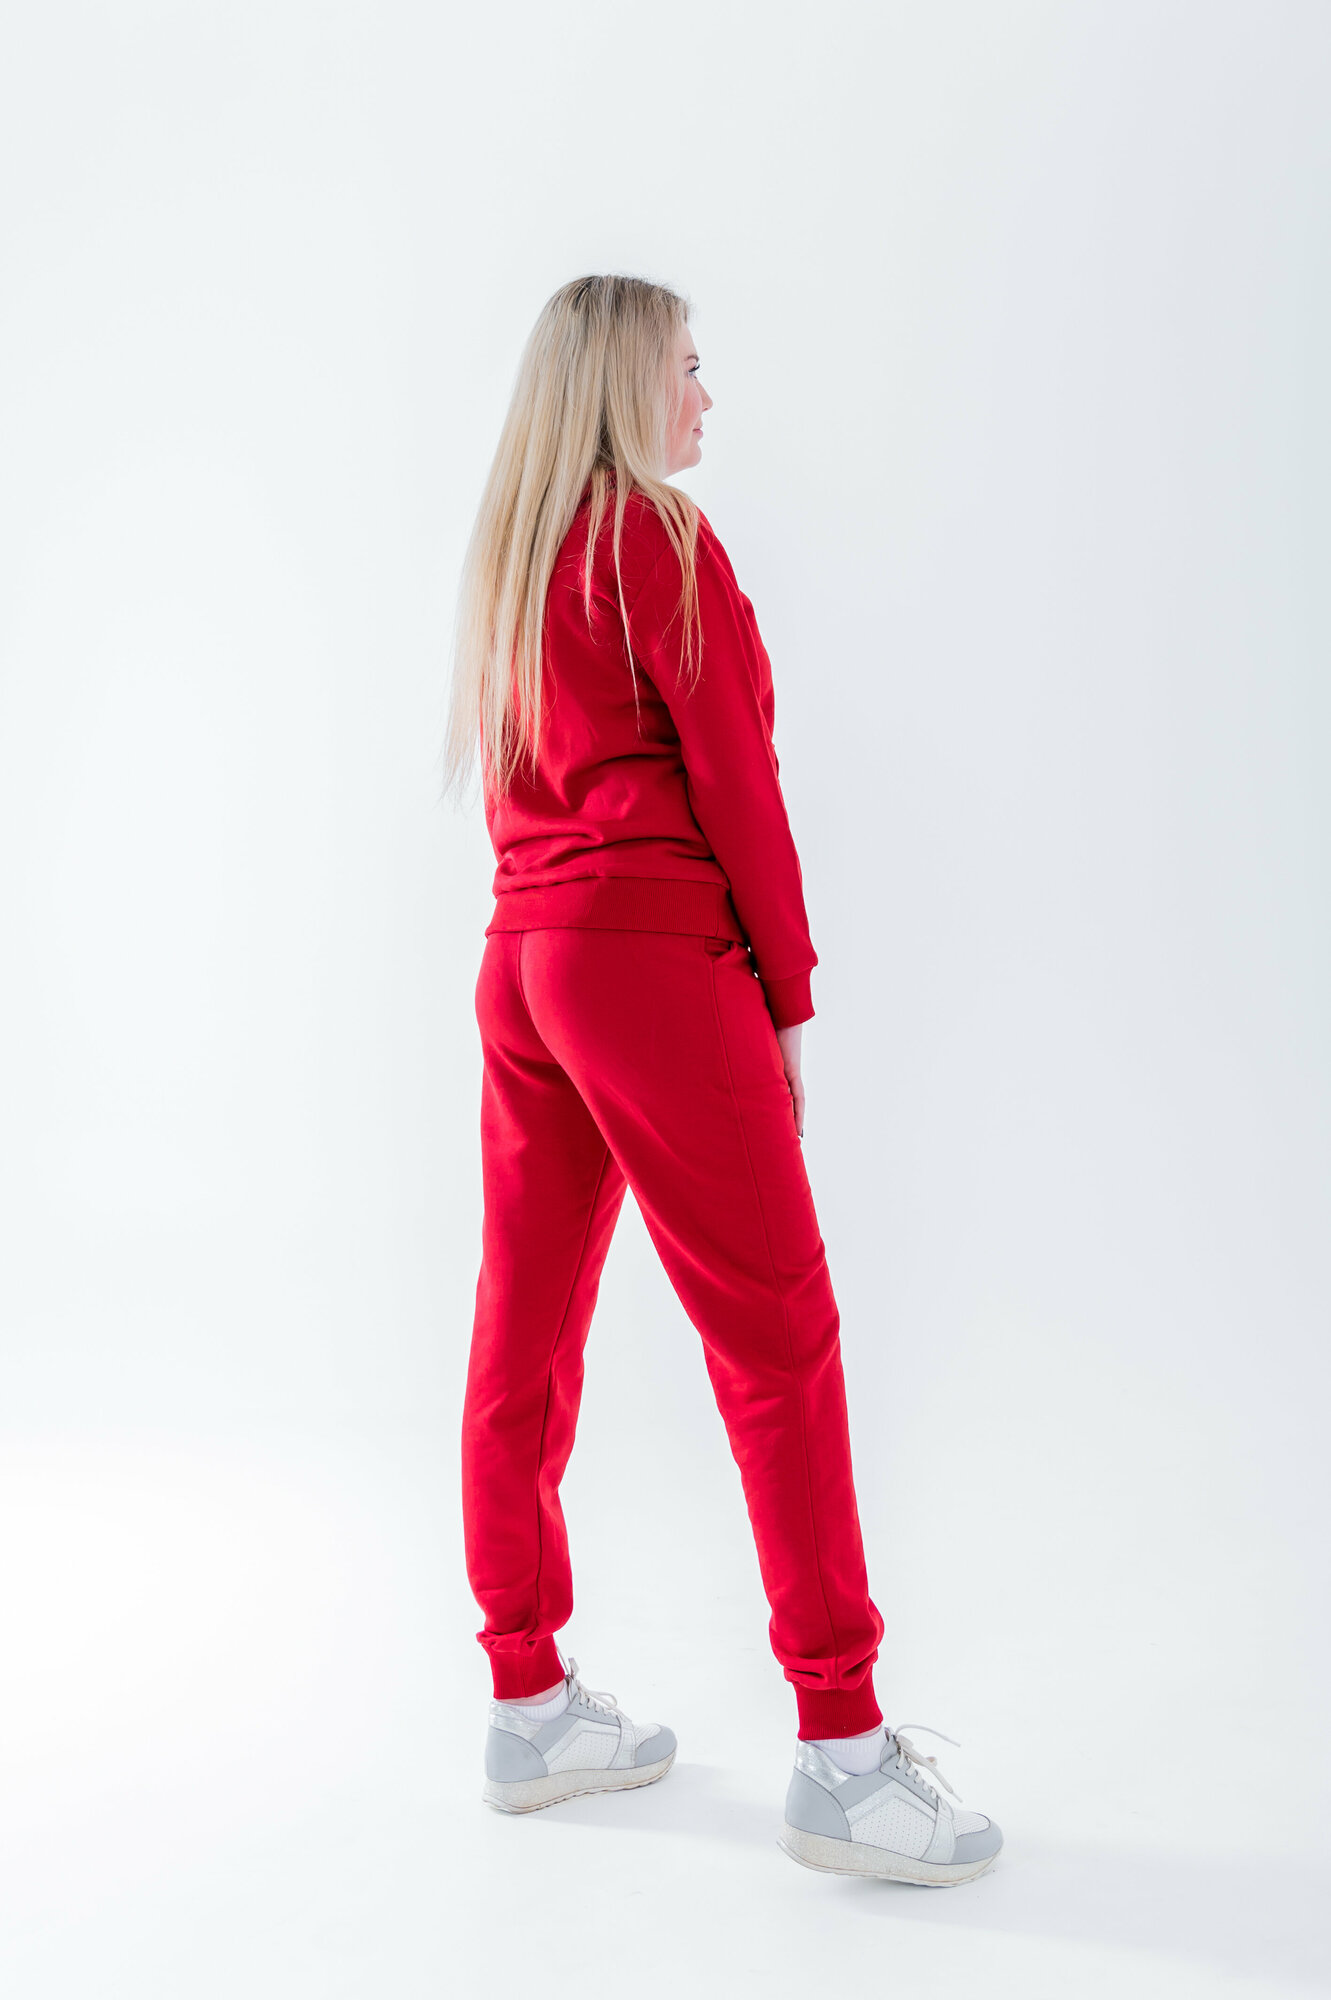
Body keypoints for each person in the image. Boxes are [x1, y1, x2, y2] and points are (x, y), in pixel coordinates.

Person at [441, 274, 1001, 1884]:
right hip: (648, 962)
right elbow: (737, 781)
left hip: (526, 964)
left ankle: (528, 1702)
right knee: (779, 1339)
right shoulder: (659, 539)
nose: (705, 397)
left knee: (524, 1331)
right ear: (627, 383)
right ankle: (845, 1753)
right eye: (686, 368)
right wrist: (788, 995)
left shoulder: (517, 558)